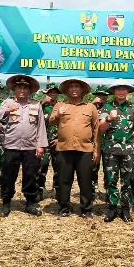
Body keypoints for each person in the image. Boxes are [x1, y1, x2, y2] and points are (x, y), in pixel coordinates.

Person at [0, 74, 47, 217]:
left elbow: (41, 126)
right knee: (8, 175)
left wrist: (40, 145)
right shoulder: (8, 102)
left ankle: (30, 203)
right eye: (19, 87)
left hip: (30, 146)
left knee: (30, 175)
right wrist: (8, 110)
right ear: (14, 89)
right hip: (12, 146)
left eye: (25, 87)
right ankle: (6, 203)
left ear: (29, 90)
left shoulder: (36, 105)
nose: (22, 90)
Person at [50, 78, 99, 219]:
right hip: (64, 148)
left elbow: (96, 130)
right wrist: (58, 114)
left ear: (82, 90)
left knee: (85, 181)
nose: (74, 89)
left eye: (77, 86)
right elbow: (51, 121)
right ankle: (64, 207)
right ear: (67, 90)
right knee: (64, 180)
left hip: (85, 149)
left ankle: (86, 209)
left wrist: (96, 150)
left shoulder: (91, 107)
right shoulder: (60, 105)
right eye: (71, 87)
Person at [99, 79, 134, 223]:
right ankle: (112, 208)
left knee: (127, 181)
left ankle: (125, 209)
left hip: (128, 150)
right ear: (113, 92)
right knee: (111, 180)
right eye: (118, 89)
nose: (121, 91)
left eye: (124, 89)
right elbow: (101, 127)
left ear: (128, 91)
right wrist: (109, 119)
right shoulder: (107, 107)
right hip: (111, 150)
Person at [37, 82, 61, 202]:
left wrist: (59, 139)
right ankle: (39, 191)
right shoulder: (41, 107)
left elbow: (66, 125)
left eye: (54, 92)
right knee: (41, 168)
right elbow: (33, 119)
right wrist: (42, 103)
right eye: (50, 92)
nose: (52, 94)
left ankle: (57, 191)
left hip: (58, 142)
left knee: (59, 168)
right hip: (44, 142)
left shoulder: (61, 107)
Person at [90, 85, 110, 201]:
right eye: (99, 95)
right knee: (92, 169)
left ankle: (109, 193)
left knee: (108, 170)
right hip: (93, 144)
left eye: (104, 95)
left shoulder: (110, 108)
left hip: (107, 143)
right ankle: (91, 192)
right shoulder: (90, 107)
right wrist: (93, 103)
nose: (101, 98)